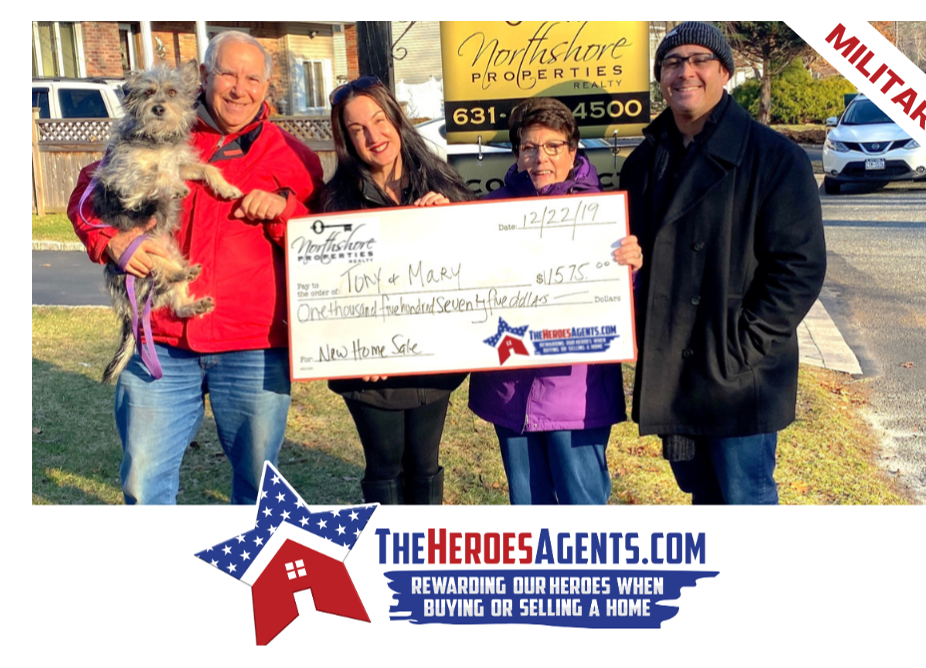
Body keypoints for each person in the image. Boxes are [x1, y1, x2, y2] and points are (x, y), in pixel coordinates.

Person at [68, 31, 324, 505]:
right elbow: (86, 194)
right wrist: (113, 240)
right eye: (227, 73)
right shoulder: (156, 133)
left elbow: (323, 238)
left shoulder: (295, 157)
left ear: (266, 87)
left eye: (252, 78)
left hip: (252, 347)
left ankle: (253, 576)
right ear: (204, 78)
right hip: (161, 342)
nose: (238, 87)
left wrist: (285, 210)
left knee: (257, 485)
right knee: (144, 485)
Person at [620, 21, 827, 505]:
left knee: (746, 502)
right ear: (660, 78)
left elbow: (798, 268)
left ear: (725, 72)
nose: (684, 72)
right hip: (675, 369)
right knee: (703, 500)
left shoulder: (773, 157)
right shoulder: (645, 162)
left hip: (738, 374)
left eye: (698, 60)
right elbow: (629, 250)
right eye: (672, 62)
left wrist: (743, 347)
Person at [467, 97, 642, 505]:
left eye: (552, 146)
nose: (539, 157)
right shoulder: (488, 212)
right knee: (529, 510)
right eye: (528, 147)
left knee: (583, 509)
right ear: (516, 153)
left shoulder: (603, 215)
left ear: (573, 150)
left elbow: (627, 304)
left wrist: (631, 269)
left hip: (576, 392)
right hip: (510, 389)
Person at [321, 76, 475, 505]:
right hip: (371, 370)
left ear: (396, 118)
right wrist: (355, 347)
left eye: (379, 119)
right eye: (357, 129)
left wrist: (454, 217)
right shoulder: (335, 201)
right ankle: (387, 552)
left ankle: (424, 552)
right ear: (346, 140)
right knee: (385, 464)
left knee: (425, 464)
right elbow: (324, 291)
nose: (373, 136)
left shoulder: (440, 181)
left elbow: (478, 262)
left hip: (432, 361)